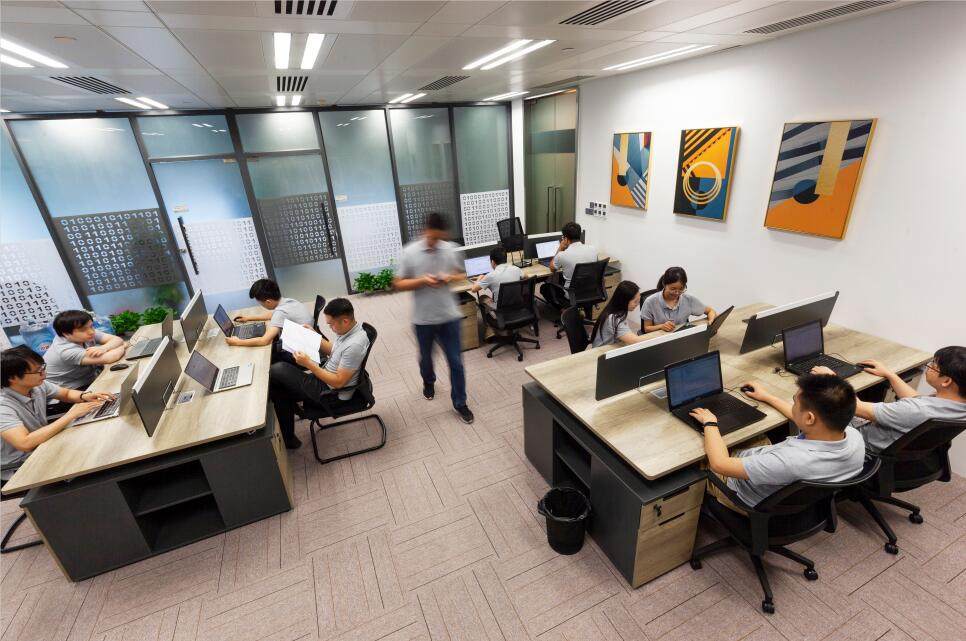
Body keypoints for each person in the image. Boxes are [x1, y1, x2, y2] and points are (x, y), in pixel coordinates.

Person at [693, 373, 865, 511]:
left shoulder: (790, 461)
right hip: (781, 486)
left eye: (795, 402)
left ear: (809, 418)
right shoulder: (854, 438)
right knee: (749, 433)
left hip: (740, 490)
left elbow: (720, 464)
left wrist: (710, 422)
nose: (793, 405)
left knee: (695, 454)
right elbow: (804, 420)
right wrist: (766, 396)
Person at [394, 212, 474, 425]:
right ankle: (428, 381)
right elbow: (398, 283)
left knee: (456, 363)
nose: (437, 242)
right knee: (426, 360)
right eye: (434, 237)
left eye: (441, 238)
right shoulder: (410, 252)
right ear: (426, 231)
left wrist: (449, 277)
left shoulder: (450, 249)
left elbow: (461, 274)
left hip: (450, 317)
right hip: (423, 319)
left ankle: (460, 402)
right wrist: (422, 280)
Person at [814, 346, 966, 454]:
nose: (929, 366)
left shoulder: (915, 410)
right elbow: (917, 400)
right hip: (899, 451)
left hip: (863, 446)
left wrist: (832, 379)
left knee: (816, 404)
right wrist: (890, 374)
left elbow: (854, 407)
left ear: (946, 381)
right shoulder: (957, 405)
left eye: (933, 365)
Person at [267, 298, 370, 450]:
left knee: (277, 370)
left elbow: (338, 382)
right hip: (325, 377)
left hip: (331, 394)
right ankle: (289, 436)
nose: (330, 328)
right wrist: (314, 335)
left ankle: (289, 435)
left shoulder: (354, 345)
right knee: (277, 384)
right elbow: (334, 351)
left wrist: (308, 364)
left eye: (331, 324)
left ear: (345, 321)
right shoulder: (350, 330)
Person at [1, 346, 115, 482]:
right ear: (13, 378)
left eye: (42, 367)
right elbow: (25, 443)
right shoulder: (3, 407)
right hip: (21, 465)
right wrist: (70, 415)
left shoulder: (36, 385)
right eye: (37, 371)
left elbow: (66, 393)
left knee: (101, 442)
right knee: (96, 458)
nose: (44, 374)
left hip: (44, 444)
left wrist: (85, 396)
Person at [44, 310, 125, 390]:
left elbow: (117, 340)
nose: (91, 332)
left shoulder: (86, 333)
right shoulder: (65, 350)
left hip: (87, 377)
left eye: (91, 326)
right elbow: (111, 357)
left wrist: (104, 348)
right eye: (83, 329)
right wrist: (123, 345)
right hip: (70, 389)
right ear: (66, 334)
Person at [227, 278, 312, 351]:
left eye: (261, 303)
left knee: (267, 351)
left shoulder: (280, 313)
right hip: (309, 341)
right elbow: (272, 315)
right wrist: (248, 318)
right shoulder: (287, 301)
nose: (261, 305)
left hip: (303, 351)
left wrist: (237, 342)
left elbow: (264, 341)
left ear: (268, 302)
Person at [641, 267, 717, 333]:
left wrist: (711, 322)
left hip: (681, 338)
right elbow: (647, 328)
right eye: (673, 289)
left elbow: (710, 311)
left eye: (681, 289)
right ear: (664, 284)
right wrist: (661, 326)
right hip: (659, 339)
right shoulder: (650, 302)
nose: (677, 293)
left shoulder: (688, 299)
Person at [590, 281, 649, 348]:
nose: (637, 304)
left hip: (612, 347)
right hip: (603, 351)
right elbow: (635, 341)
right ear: (624, 301)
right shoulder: (613, 318)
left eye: (638, 301)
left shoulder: (617, 311)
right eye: (635, 301)